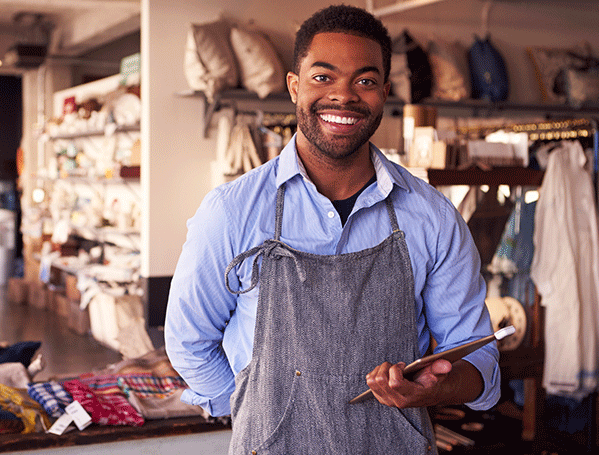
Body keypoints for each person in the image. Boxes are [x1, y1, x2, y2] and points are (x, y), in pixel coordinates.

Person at [165, 5, 500, 453]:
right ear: (294, 86)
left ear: (384, 91)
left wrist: (431, 390)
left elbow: (479, 357)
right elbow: (189, 340)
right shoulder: (231, 212)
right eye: (323, 77)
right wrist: (256, 411)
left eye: (364, 81)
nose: (344, 96)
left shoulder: (433, 217)